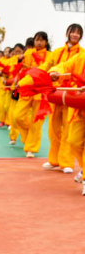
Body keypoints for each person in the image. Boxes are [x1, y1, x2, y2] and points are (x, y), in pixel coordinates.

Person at [42, 24, 81, 173]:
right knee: (53, 127)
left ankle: (66, 163)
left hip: (72, 95)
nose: (75, 35)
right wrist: (42, 74)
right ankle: (54, 160)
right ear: (67, 33)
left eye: (78, 33)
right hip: (56, 92)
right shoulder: (57, 52)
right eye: (73, 32)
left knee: (68, 127)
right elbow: (49, 66)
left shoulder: (82, 54)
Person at [11, 32, 53, 157]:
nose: (39, 42)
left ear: (46, 42)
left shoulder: (51, 55)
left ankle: (31, 148)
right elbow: (18, 67)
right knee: (17, 116)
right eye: (36, 40)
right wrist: (18, 61)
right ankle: (28, 136)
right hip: (27, 89)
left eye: (41, 40)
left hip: (41, 92)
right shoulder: (28, 53)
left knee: (37, 121)